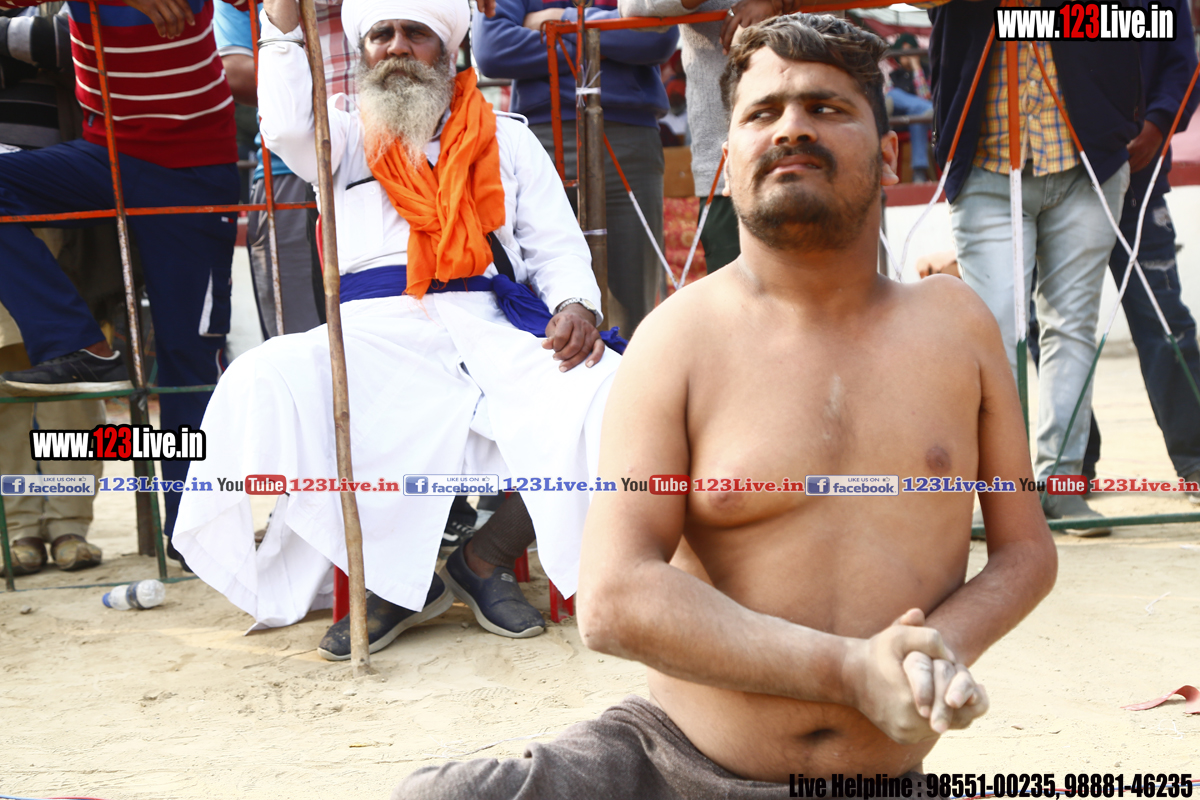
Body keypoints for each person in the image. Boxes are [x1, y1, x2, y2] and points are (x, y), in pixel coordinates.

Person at [396, 15, 1057, 798]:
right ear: (729, 156)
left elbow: (1025, 551)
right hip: (673, 767)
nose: (792, 128)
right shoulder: (676, 339)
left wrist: (933, 653)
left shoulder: (958, 328)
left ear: (888, 153)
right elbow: (614, 597)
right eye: (763, 112)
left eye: (826, 107)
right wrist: (850, 671)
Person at [172, 0, 622, 660]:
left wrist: (576, 306)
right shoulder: (341, 135)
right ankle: (392, 583)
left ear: (449, 50)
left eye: (417, 33)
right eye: (381, 34)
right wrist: (282, 20)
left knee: (610, 389)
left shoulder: (507, 138)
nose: (397, 46)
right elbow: (285, 121)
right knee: (263, 378)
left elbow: (554, 245)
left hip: (489, 321)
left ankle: (486, 557)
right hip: (373, 332)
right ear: (362, 51)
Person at [0, 0, 245, 560]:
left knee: (188, 357)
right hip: (104, 156)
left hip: (194, 172)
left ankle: (191, 529)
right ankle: (79, 344)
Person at [928, 0, 1140, 533]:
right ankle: (1004, 493)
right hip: (985, 159)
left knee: (1073, 327)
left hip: (1086, 158)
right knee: (993, 335)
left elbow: (1139, 18)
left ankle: (1063, 483)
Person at [473, 0, 678, 333]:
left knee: (632, 309)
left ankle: (630, 369)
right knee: (537, 298)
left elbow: (657, 37)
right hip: (538, 139)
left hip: (627, 135)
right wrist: (607, 36)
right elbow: (493, 51)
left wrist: (558, 21)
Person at [617, 0, 803, 275]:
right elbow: (632, 7)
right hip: (726, 171)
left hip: (824, 156)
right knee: (738, 294)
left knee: (833, 292)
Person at [884, 32, 932, 183]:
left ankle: (919, 172)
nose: (908, 56)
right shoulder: (894, 76)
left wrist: (916, 67)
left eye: (911, 51)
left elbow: (924, 95)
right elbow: (889, 100)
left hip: (920, 120)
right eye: (904, 53)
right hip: (899, 120)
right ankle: (931, 109)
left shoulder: (926, 71)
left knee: (917, 116)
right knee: (893, 94)